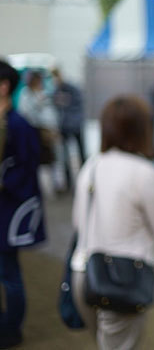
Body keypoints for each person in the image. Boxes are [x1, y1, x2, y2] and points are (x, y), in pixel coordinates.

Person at [70, 95, 154, 349]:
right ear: (142, 130)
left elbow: (77, 221)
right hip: (122, 278)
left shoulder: (91, 166)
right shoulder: (143, 172)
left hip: (83, 274)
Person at [0, 60, 47, 348]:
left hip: (8, 209)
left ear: (4, 86)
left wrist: (4, 181)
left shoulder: (18, 124)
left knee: (9, 273)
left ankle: (11, 329)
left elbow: (28, 167)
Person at [51, 68, 85, 191]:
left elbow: (79, 104)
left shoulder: (72, 89)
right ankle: (69, 183)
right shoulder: (56, 91)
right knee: (64, 157)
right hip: (63, 127)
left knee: (81, 153)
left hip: (75, 126)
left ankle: (84, 180)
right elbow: (54, 107)